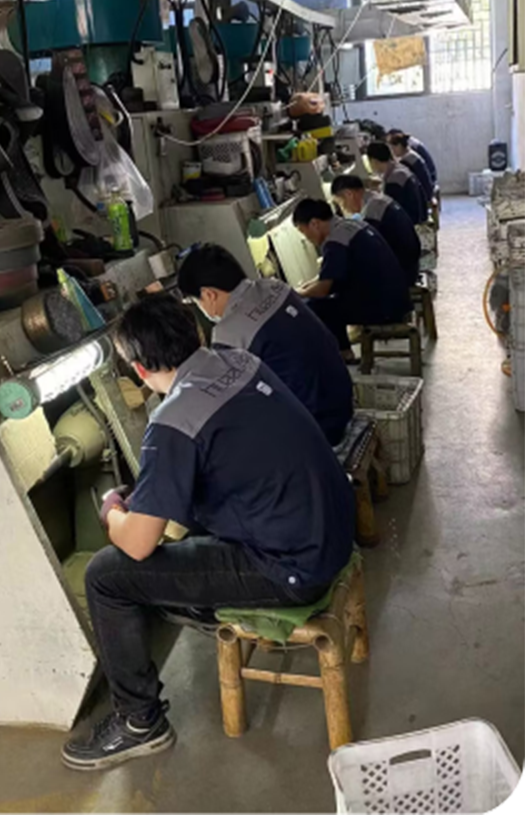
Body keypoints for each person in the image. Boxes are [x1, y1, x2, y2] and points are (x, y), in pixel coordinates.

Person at [62, 294, 355, 771]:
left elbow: (137, 543)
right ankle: (199, 607)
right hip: (331, 530)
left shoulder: (172, 421)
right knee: (184, 524)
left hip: (291, 567)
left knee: (107, 575)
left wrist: (113, 509)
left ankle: (139, 722)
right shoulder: (239, 362)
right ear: (196, 332)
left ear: (138, 370)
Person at [177, 243, 353, 446]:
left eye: (196, 302)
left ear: (209, 294)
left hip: (316, 429)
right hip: (342, 399)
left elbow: (232, 406)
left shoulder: (228, 336)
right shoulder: (276, 287)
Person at [293, 199, 411, 360]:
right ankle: (343, 348)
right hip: (397, 299)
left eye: (303, 232)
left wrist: (296, 294)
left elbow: (323, 289)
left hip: (383, 308)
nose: (306, 238)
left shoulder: (335, 241)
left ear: (314, 224)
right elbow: (327, 275)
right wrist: (306, 287)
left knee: (316, 306)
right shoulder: (351, 226)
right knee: (330, 299)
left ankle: (343, 353)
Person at [330, 175, 420, 287]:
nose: (343, 209)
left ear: (349, 194)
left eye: (341, 203)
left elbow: (370, 253)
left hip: (403, 272)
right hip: (410, 264)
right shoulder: (377, 200)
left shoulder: (373, 211)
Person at [366, 141, 427, 225]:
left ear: (374, 161)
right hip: (418, 217)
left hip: (411, 223)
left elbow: (389, 211)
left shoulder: (393, 180)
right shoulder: (398, 169)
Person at [387, 132, 434, 203]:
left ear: (399, 146)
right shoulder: (411, 154)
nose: (393, 152)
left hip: (423, 196)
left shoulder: (407, 160)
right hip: (426, 191)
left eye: (393, 148)